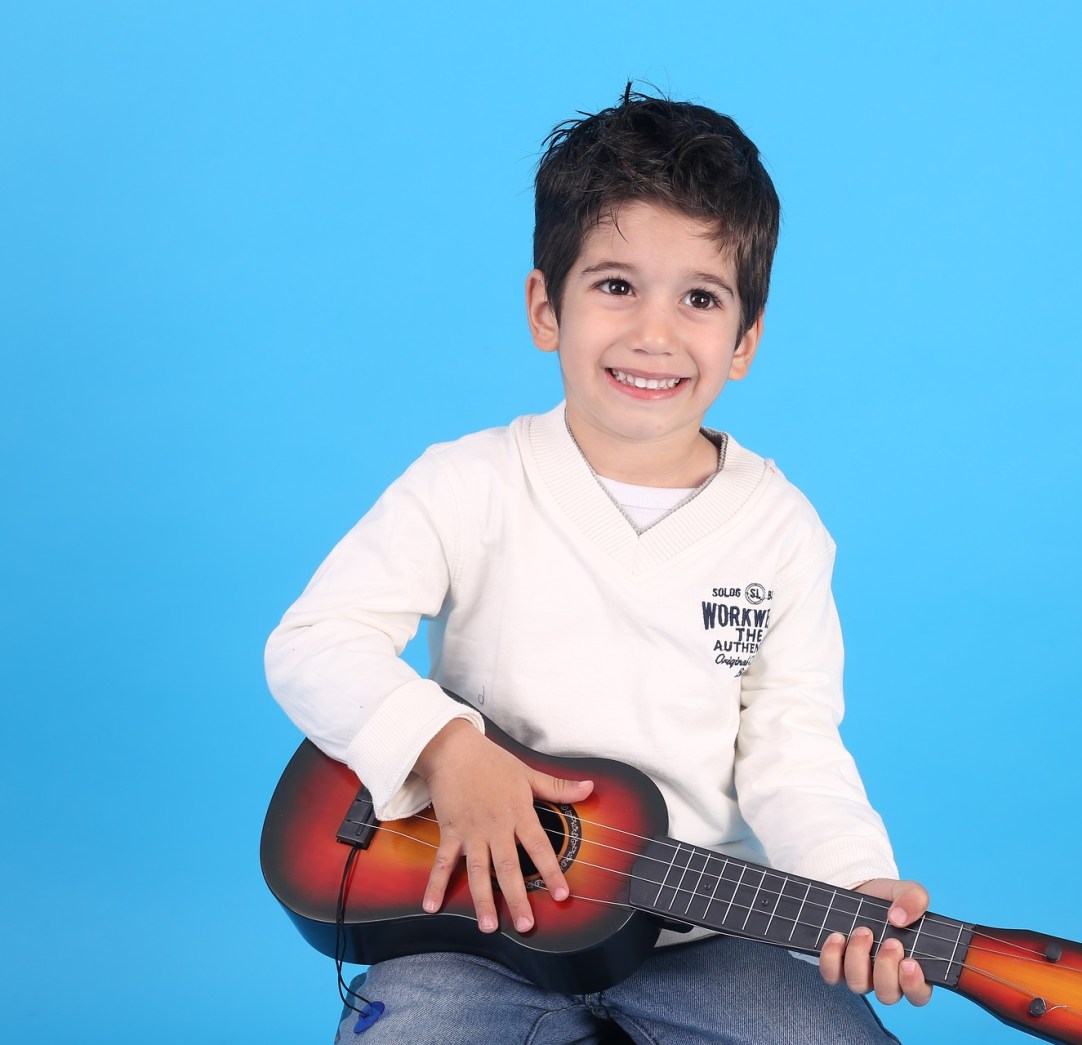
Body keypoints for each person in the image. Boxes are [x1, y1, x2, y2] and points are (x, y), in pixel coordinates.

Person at [266, 88, 931, 1044]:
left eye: (699, 298)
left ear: (744, 341)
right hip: (472, 921)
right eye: (616, 285)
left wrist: (852, 878)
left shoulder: (781, 528)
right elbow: (314, 642)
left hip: (699, 936)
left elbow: (795, 745)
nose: (655, 333)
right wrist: (449, 753)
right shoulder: (468, 482)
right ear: (547, 306)